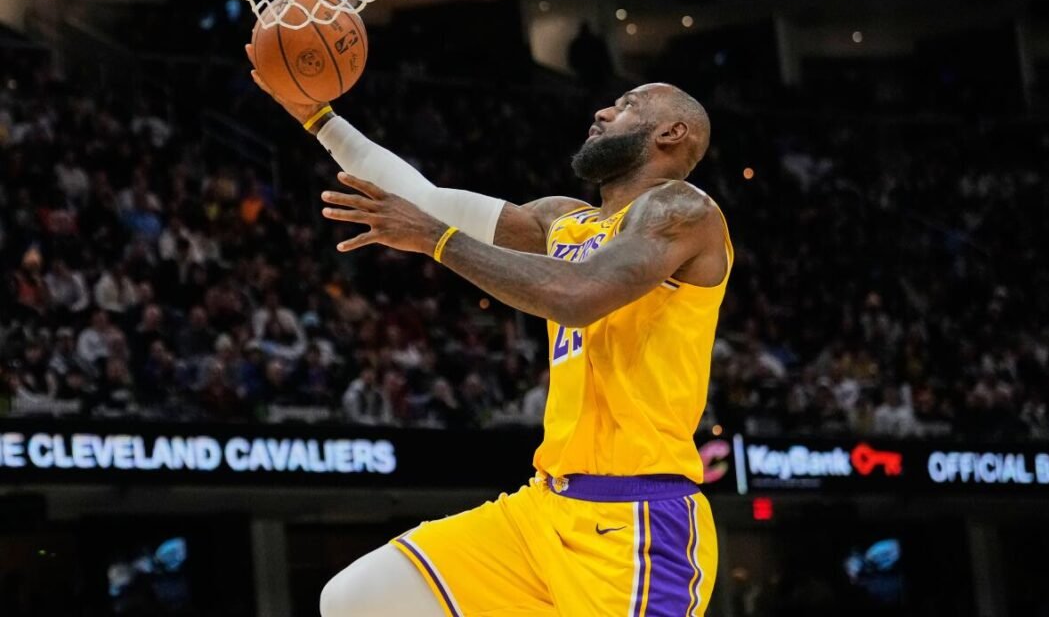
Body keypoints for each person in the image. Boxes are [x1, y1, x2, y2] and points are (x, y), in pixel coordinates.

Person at [249, 46, 731, 616]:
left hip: (639, 525)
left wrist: (436, 239)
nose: (603, 112)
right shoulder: (562, 220)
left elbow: (579, 296)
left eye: (627, 105)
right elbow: (426, 201)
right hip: (543, 510)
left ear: (672, 133)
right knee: (356, 599)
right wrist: (319, 117)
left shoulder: (684, 210)